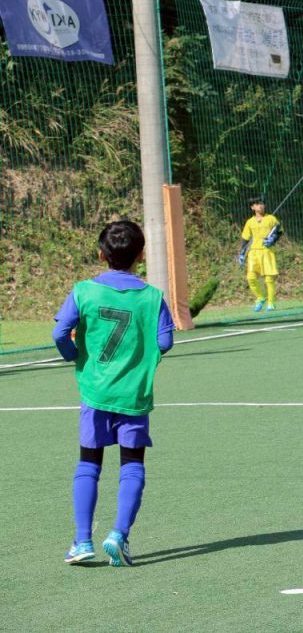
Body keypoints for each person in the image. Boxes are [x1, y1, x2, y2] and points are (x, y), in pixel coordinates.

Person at [53, 220, 175, 566]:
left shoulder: (84, 291)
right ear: (141, 256)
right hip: (134, 396)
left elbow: (60, 333)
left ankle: (82, 540)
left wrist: (74, 355)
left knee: (88, 463)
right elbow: (165, 341)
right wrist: (141, 359)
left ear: (101, 255)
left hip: (95, 392)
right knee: (132, 464)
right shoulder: (152, 297)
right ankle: (119, 535)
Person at [239, 196, 282, 312]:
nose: (261, 206)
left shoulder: (271, 218)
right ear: (252, 207)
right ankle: (260, 297)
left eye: (262, 203)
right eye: (257, 204)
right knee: (251, 277)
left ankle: (271, 303)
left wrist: (273, 239)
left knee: (269, 278)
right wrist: (242, 253)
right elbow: (245, 238)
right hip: (253, 252)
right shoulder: (249, 222)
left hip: (267, 251)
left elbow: (279, 231)